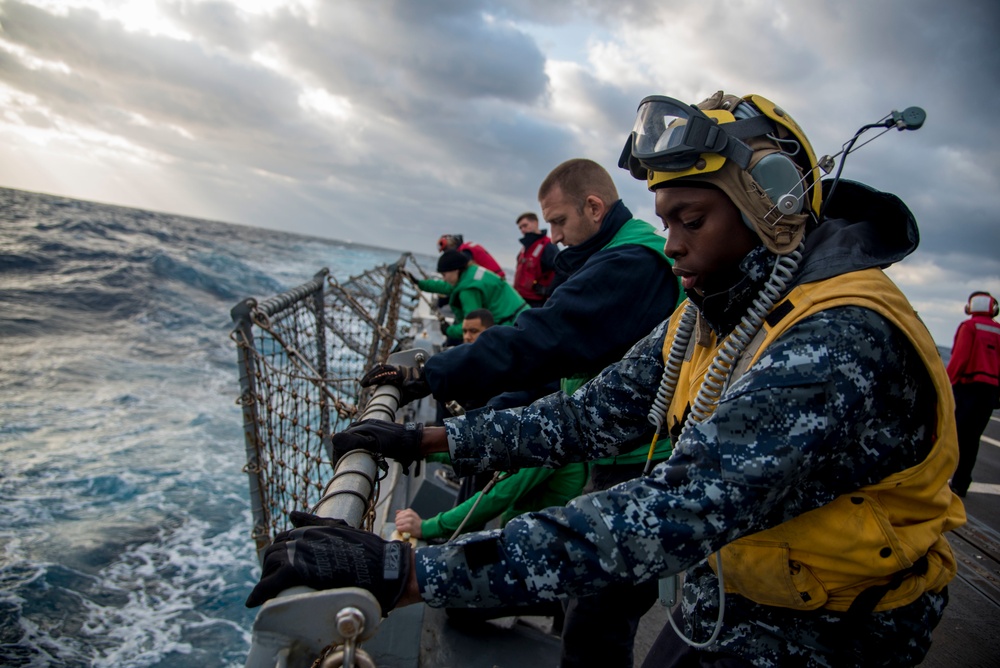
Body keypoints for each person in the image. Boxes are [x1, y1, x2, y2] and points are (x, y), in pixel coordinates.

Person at [248, 90, 967, 667]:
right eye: (665, 218)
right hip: (734, 588)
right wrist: (426, 438)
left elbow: (677, 509)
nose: (673, 243)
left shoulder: (838, 336)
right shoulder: (711, 311)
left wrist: (408, 574)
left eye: (692, 219)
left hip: (836, 630)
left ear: (771, 212)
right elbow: (584, 416)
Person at [364, 158, 682, 666]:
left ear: (594, 207)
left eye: (558, 222)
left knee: (597, 623)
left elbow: (543, 339)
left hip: (639, 462)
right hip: (614, 446)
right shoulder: (622, 253)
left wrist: (430, 376)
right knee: (594, 610)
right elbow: (564, 377)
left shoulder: (628, 266)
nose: (553, 237)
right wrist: (452, 423)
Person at [946, 291, 1000, 497]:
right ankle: (961, 483)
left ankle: (937, 479)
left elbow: (959, 358)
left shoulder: (969, 327)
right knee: (973, 439)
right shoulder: (998, 330)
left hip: (967, 388)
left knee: (952, 433)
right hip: (989, 392)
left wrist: (946, 383)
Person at [417, 251, 527, 342]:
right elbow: (448, 287)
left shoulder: (468, 291)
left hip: (512, 326)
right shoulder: (470, 273)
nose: (444, 279)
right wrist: (420, 284)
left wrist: (449, 331)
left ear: (455, 270)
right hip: (524, 317)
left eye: (444, 275)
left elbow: (472, 324)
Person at [512, 212, 558, 307]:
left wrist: (548, 291)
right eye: (520, 228)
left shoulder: (548, 246)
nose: (523, 230)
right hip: (519, 299)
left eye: (525, 225)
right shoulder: (524, 248)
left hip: (536, 303)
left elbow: (561, 271)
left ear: (536, 223)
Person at [438, 234, 506, 280]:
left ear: (451, 245)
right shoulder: (467, 247)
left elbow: (465, 272)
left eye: (445, 250)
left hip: (495, 279)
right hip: (497, 277)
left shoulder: (465, 252)